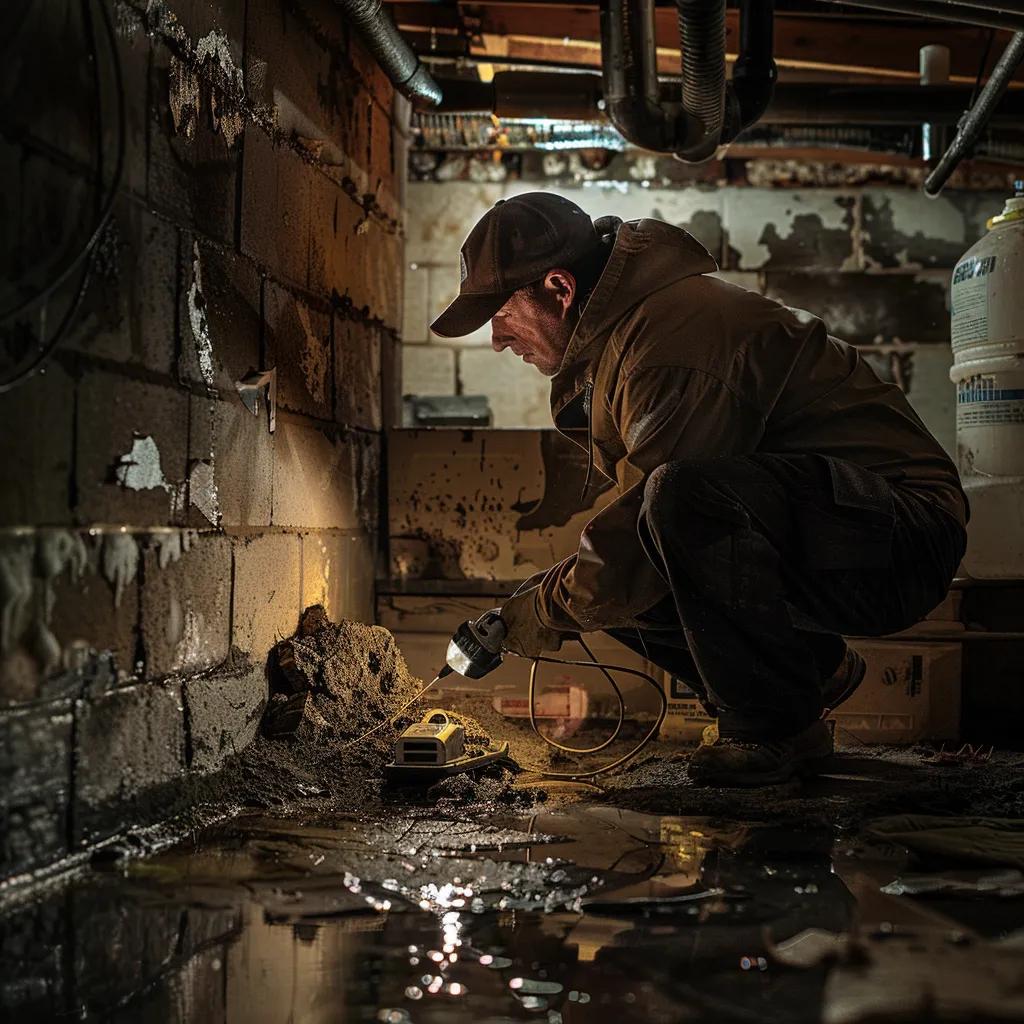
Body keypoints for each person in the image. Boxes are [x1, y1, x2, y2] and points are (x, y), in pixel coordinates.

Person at [430, 191, 968, 787]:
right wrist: (536, 606)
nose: (499, 341)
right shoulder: (634, 336)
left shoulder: (669, 343)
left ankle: (772, 730)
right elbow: (629, 553)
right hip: (840, 524)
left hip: (902, 537)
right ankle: (810, 678)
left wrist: (536, 610)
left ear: (559, 289)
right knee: (597, 586)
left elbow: (652, 519)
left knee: (664, 515)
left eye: (500, 315)